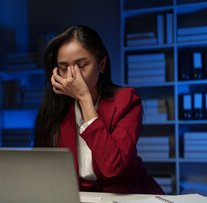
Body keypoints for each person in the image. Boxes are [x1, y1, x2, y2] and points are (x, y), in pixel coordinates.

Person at [33, 25, 164, 194]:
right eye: (64, 69)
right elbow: (44, 172)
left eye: (80, 66)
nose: (72, 77)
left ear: (101, 64)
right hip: (84, 202)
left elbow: (112, 166)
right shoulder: (55, 110)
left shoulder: (127, 100)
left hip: (132, 198)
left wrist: (84, 99)